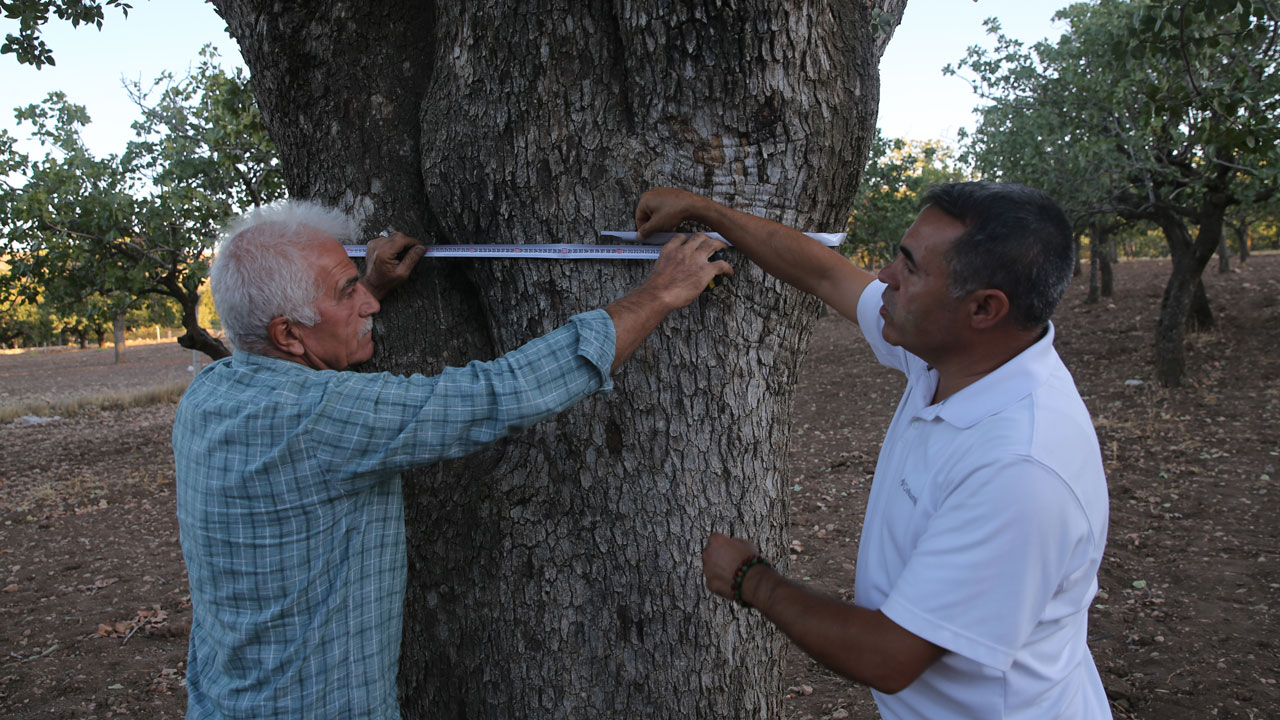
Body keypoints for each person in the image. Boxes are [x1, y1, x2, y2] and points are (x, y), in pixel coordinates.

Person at [173, 199, 731, 719]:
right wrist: (659, 292)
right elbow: (501, 392)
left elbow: (304, 374)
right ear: (288, 333)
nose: (369, 303)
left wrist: (360, 290)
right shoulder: (316, 419)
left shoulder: (210, 392)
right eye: (347, 292)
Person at [635, 183, 1110, 718]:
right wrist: (706, 211)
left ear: (983, 308)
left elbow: (889, 655)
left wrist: (753, 580)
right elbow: (825, 273)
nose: (885, 275)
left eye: (910, 267)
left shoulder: (1020, 471)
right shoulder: (951, 356)